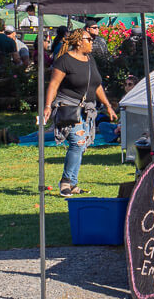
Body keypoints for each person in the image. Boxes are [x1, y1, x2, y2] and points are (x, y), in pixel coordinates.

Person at [42, 28, 118, 197]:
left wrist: (107, 105)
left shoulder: (89, 60)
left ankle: (74, 183)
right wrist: (47, 106)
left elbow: (97, 85)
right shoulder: (64, 61)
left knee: (81, 145)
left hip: (87, 109)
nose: (92, 42)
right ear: (78, 41)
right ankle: (66, 182)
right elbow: (53, 85)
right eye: (89, 39)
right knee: (77, 143)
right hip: (68, 107)